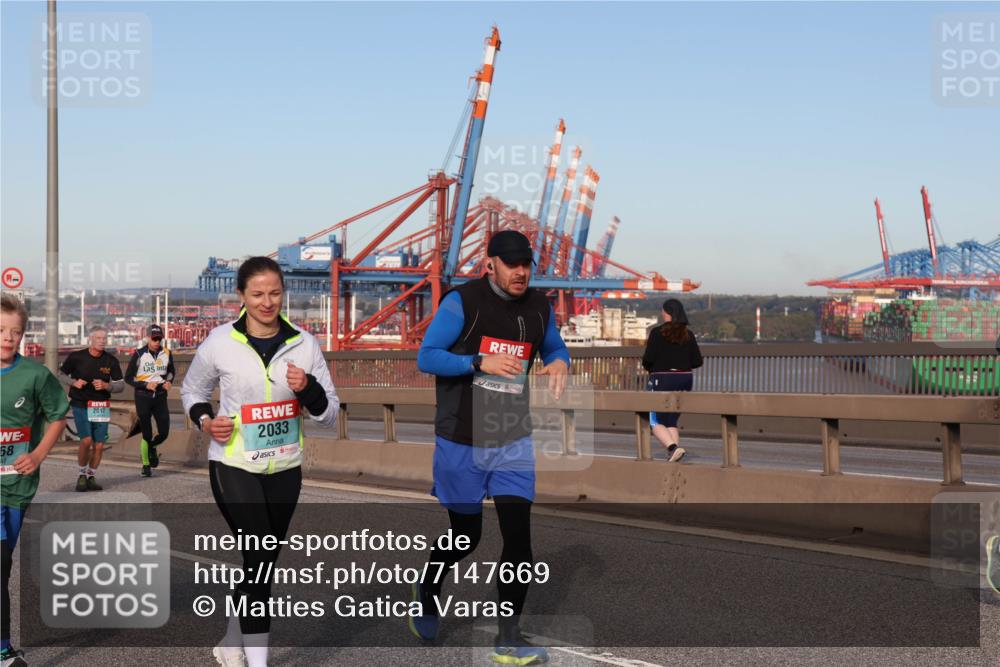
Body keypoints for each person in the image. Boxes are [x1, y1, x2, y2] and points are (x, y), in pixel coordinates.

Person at [411, 230, 569, 666]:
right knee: (466, 536)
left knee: (519, 538)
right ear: (490, 265)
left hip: (512, 437)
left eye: (526, 264)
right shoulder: (462, 303)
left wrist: (560, 360)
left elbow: (554, 345)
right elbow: (427, 356)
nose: (520, 272)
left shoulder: (539, 307)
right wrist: (478, 361)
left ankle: (508, 638)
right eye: (511, 264)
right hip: (461, 436)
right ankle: (428, 587)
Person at [181, 256, 338, 667]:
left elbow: (330, 414)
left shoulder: (305, 344)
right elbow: (192, 391)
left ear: (283, 293)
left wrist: (309, 388)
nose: (267, 302)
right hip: (233, 465)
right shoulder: (219, 342)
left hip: (285, 468)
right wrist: (205, 420)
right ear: (241, 295)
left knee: (260, 564)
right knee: (261, 555)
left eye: (274, 293)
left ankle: (231, 641)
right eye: (257, 294)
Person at [1, 294, 70, 667]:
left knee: (3, 565)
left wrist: (39, 454)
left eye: (15, 332)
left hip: (16, 487)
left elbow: (58, 415)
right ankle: (3, 650)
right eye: (0, 330)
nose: (8, 338)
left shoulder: (36, 375)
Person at [59, 326, 124, 491]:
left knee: (99, 445)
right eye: (98, 338)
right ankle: (81, 475)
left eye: (104, 338)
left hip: (100, 405)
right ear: (91, 339)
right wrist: (74, 382)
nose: (102, 341)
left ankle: (91, 476)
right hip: (80, 403)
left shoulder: (111, 361)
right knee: (86, 440)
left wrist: (107, 386)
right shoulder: (77, 357)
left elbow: (120, 385)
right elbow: (61, 374)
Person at [641, 299, 702, 462]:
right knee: (671, 420)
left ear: (668, 312)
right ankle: (675, 453)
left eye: (663, 310)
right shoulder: (688, 334)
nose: (661, 313)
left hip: (662, 378)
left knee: (655, 420)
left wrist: (650, 368)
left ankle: (672, 448)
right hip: (685, 379)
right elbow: (697, 361)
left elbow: (648, 359)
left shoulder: (657, 333)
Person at [124, 324, 175, 477]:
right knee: (146, 434)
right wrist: (145, 385)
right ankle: (146, 465)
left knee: (164, 432)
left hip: (160, 396)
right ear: (147, 338)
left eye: (159, 339)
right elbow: (128, 377)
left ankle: (152, 447)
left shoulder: (167, 353)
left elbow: (171, 371)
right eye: (154, 339)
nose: (157, 342)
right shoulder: (139, 354)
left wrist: (169, 381)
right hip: (143, 397)